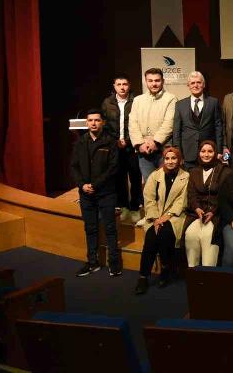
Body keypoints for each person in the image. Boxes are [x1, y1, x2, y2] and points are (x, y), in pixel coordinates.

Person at [71, 109, 121, 277]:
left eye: (97, 120)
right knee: (90, 228)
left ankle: (114, 263)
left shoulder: (110, 142)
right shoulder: (80, 142)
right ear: (86, 123)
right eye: (90, 120)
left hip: (106, 192)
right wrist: (82, 185)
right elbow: (74, 166)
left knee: (110, 228)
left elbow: (113, 168)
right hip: (86, 193)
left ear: (103, 123)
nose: (93, 123)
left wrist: (95, 184)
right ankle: (92, 263)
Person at [135, 146, 189, 295]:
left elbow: (182, 201)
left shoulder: (186, 176)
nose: (170, 161)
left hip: (175, 216)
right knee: (151, 237)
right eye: (167, 158)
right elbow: (149, 199)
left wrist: (167, 216)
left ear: (179, 160)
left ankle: (165, 268)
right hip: (155, 216)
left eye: (174, 158)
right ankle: (143, 277)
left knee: (165, 234)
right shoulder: (155, 175)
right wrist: (155, 218)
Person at [184, 140, 233, 268]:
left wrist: (213, 211)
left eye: (210, 151)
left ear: (215, 153)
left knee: (208, 236)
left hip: (217, 215)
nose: (206, 154)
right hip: (196, 214)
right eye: (203, 151)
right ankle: (193, 270)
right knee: (190, 235)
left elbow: (226, 197)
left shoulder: (225, 172)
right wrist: (197, 208)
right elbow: (191, 194)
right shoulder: (194, 171)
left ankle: (208, 272)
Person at [101, 74, 142, 223]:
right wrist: (115, 141)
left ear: (129, 85)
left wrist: (129, 141)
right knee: (119, 178)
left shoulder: (136, 101)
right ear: (114, 86)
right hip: (115, 146)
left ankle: (135, 207)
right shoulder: (107, 103)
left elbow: (140, 123)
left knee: (135, 177)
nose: (122, 87)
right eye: (119, 84)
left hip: (132, 146)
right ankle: (123, 206)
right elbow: (104, 125)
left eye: (125, 84)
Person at [128, 68, 177, 182]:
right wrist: (139, 144)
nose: (154, 84)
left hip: (163, 150)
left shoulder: (171, 98)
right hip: (143, 150)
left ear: (163, 81)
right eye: (150, 81)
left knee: (165, 183)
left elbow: (169, 123)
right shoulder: (138, 100)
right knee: (149, 184)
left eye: (157, 80)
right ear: (145, 81)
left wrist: (155, 142)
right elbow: (132, 123)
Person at [172, 71, 224, 170]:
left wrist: (219, 151)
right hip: (187, 154)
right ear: (188, 86)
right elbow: (176, 131)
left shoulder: (213, 102)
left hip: (208, 153)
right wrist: (178, 153)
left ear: (203, 85)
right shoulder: (180, 105)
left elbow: (219, 128)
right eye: (192, 83)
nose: (195, 85)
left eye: (198, 82)